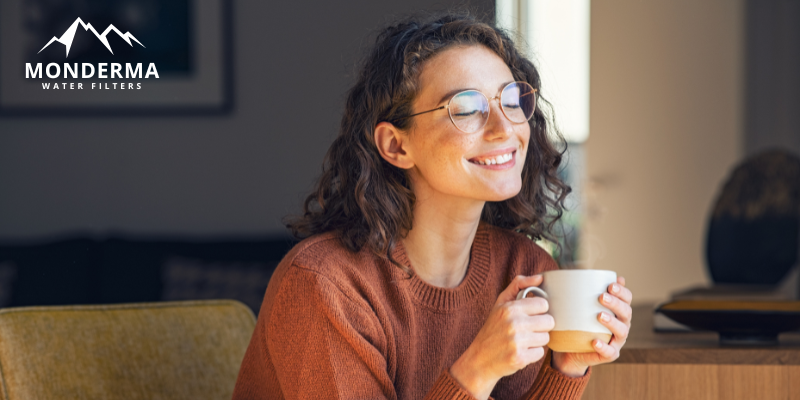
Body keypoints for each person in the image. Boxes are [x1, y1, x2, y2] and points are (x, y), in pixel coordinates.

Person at [232, 12, 633, 400]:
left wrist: (566, 368)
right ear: (396, 145)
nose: (505, 128)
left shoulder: (525, 270)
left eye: (511, 100)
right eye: (466, 109)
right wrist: (477, 370)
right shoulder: (326, 287)